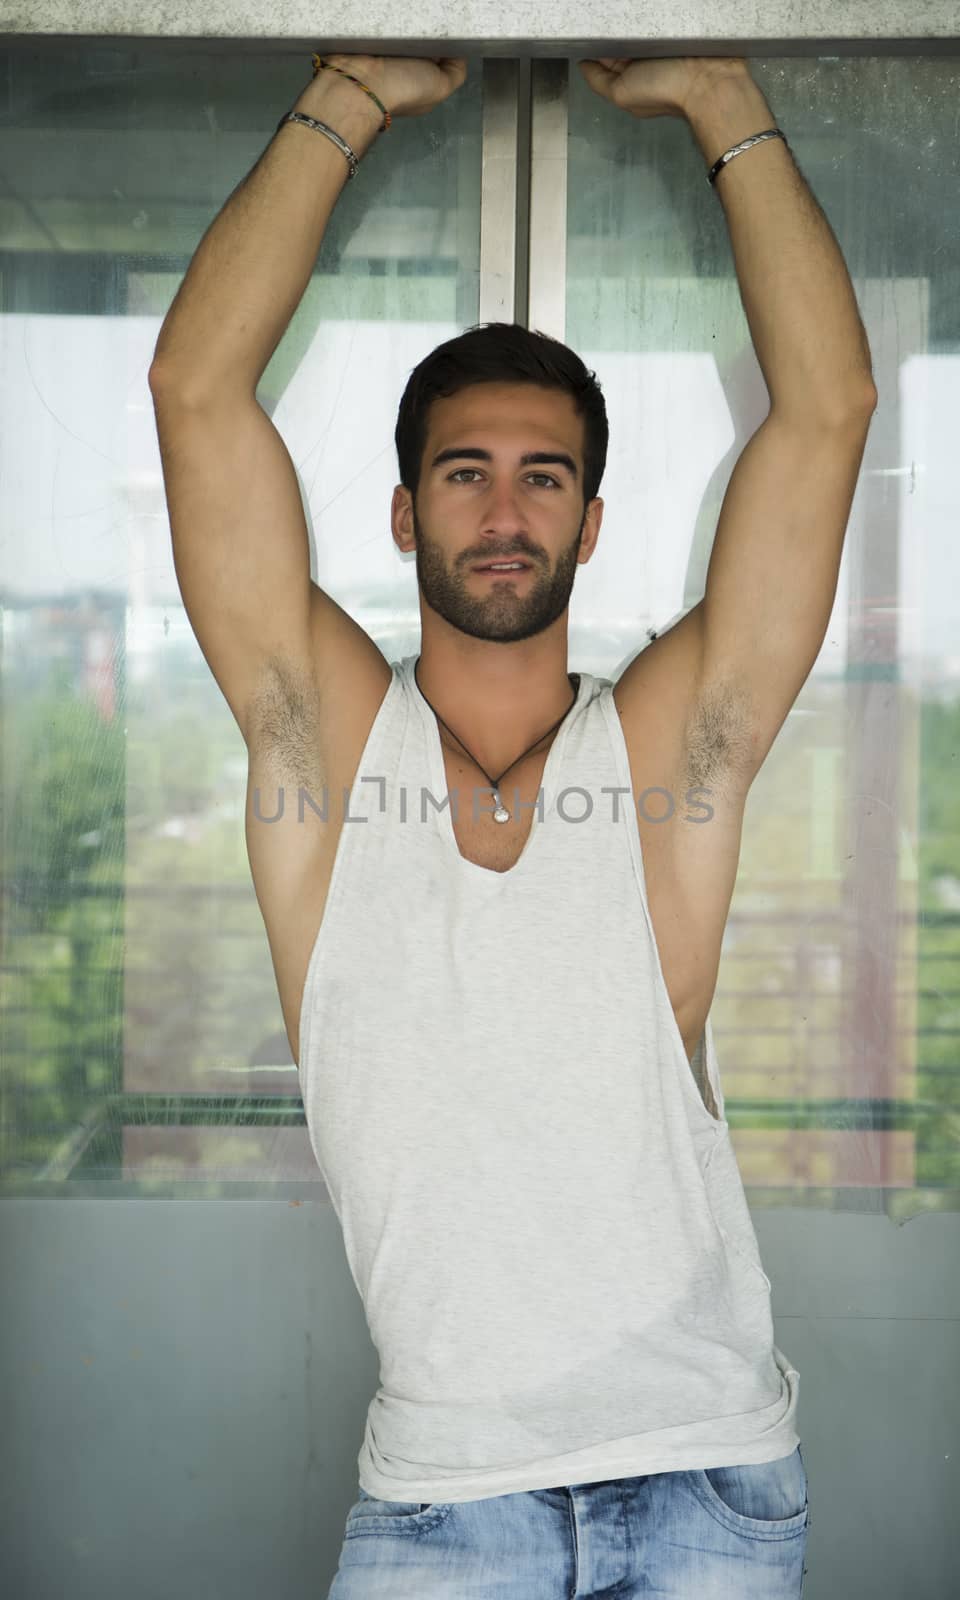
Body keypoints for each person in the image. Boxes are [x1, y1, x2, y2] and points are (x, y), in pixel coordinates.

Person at [148, 49, 876, 1600]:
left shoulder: (673, 750)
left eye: (545, 478)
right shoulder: (323, 747)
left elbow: (827, 414)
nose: (503, 511)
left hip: (710, 1488)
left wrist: (726, 99)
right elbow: (194, 391)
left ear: (592, 522)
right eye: (463, 474)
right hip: (438, 1505)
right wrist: (345, 92)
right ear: (406, 511)